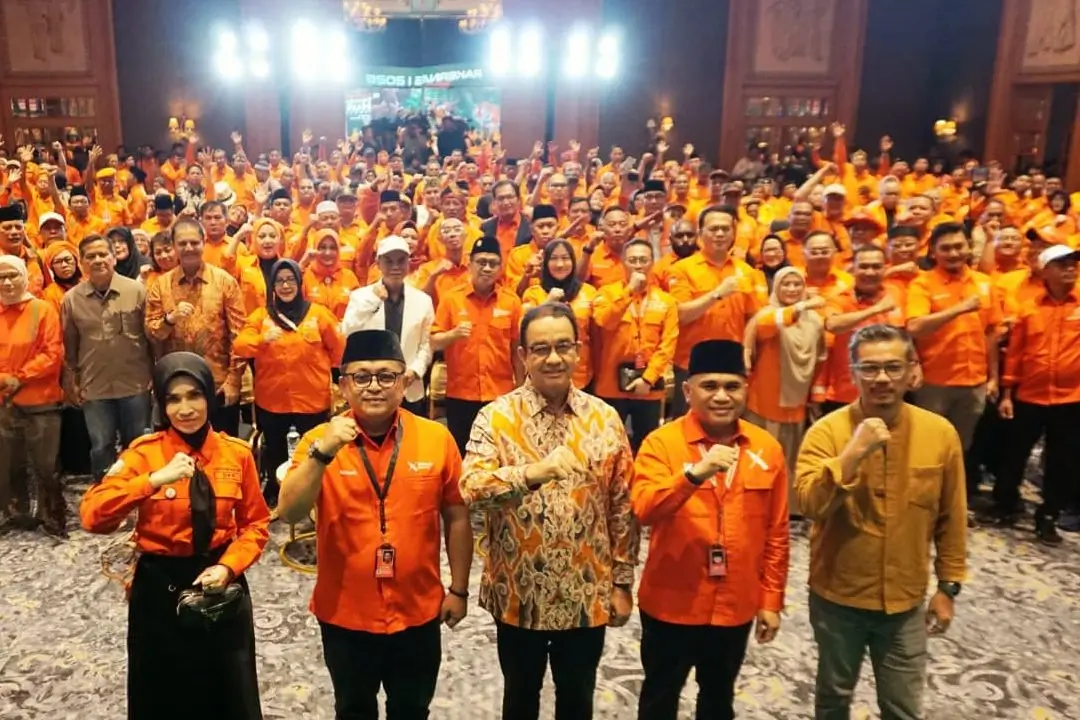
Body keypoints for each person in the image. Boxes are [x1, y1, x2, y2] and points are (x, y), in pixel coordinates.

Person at [278, 329, 472, 719]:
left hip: (417, 610)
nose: (374, 386)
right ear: (343, 386)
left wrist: (459, 589)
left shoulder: (436, 438)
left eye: (386, 376)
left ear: (404, 382)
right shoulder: (319, 440)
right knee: (353, 710)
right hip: (346, 614)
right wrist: (323, 453)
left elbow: (456, 515)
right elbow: (290, 512)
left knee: (412, 709)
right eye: (361, 376)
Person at [460, 302, 638, 720]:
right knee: (520, 699)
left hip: (586, 592)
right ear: (523, 355)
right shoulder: (496, 418)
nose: (553, 358)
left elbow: (622, 507)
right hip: (518, 593)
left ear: (578, 351)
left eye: (563, 346)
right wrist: (530, 474)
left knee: (577, 699)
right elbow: (471, 489)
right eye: (540, 349)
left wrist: (623, 582)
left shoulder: (605, 419)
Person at [80, 352, 270, 719]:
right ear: (161, 405)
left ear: (209, 396)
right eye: (173, 399)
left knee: (229, 691)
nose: (185, 409)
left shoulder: (236, 454)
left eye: (194, 395)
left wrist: (229, 567)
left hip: (219, 582)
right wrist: (151, 481)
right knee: (162, 693)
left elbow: (255, 525)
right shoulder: (144, 455)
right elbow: (92, 516)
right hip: (159, 588)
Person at [795, 324, 967, 720]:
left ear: (912, 371)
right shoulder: (826, 433)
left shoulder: (940, 434)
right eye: (869, 368)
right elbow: (810, 505)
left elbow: (952, 517)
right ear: (853, 373)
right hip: (838, 598)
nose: (882, 378)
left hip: (905, 601)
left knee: (902, 706)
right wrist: (852, 454)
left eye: (893, 367)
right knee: (833, 697)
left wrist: (948, 587)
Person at [632, 339, 789, 720]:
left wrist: (770, 601)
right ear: (688, 392)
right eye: (709, 386)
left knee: (718, 700)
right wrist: (693, 476)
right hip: (671, 604)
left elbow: (777, 532)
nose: (721, 396)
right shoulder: (661, 444)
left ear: (746, 389)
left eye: (732, 386)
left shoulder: (766, 448)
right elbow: (644, 509)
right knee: (659, 698)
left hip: (735, 604)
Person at [984, 244, 1080, 545]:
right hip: (1029, 395)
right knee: (1014, 454)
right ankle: (1005, 505)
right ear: (1045, 271)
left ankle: (1048, 516)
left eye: (1073, 264)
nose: (1070, 269)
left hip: (1071, 399)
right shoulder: (1028, 309)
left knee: (1062, 460)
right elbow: (1015, 354)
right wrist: (1007, 394)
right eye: (1062, 264)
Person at [234, 259, 343, 505]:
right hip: (273, 401)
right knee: (274, 450)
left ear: (299, 282)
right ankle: (276, 493)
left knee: (315, 451)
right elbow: (240, 346)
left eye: (290, 280)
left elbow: (338, 349)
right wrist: (262, 339)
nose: (285, 286)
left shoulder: (318, 314)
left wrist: (338, 382)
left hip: (312, 401)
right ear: (272, 286)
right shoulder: (261, 317)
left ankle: (315, 495)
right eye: (280, 281)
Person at [62, 234, 154, 482]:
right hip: (95, 387)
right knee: (101, 446)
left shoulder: (136, 291)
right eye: (91, 256)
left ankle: (139, 495)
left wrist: (154, 376)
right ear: (82, 262)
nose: (98, 260)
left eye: (103, 254)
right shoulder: (71, 299)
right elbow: (70, 346)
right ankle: (106, 496)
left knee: (137, 445)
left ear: (114, 258)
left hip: (135, 384)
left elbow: (151, 338)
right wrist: (73, 382)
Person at [145, 218, 247, 436]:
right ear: (174, 246)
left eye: (194, 242)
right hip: (175, 388)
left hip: (218, 386)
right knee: (178, 451)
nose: (189, 248)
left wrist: (234, 380)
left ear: (204, 242)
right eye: (182, 243)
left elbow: (239, 337)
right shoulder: (160, 286)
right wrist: (169, 320)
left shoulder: (225, 282)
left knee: (221, 448)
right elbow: (152, 334)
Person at [432, 235, 524, 454]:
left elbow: (517, 351)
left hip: (500, 394)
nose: (487, 268)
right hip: (461, 394)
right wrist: (453, 334)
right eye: (481, 262)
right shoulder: (451, 299)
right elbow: (434, 341)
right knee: (462, 453)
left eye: (493, 263)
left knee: (500, 453)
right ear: (470, 263)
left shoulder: (511, 302)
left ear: (500, 267)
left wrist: (521, 390)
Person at [743, 266, 826, 492]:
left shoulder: (815, 320)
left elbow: (821, 356)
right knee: (759, 459)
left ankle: (786, 506)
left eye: (797, 284)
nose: (792, 289)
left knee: (790, 460)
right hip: (764, 403)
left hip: (797, 403)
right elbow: (768, 325)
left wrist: (816, 390)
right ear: (776, 288)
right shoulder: (766, 315)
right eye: (786, 284)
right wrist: (801, 306)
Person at [0, 255, 66, 537]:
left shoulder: (42, 309)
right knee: (8, 462)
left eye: (12, 275)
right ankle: (16, 513)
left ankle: (53, 516)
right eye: (1, 277)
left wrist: (19, 377)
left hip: (41, 401)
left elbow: (52, 353)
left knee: (46, 465)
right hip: (4, 401)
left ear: (24, 277)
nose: (7, 282)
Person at [592, 238, 679, 451]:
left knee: (646, 445)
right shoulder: (606, 293)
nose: (638, 265)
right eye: (632, 260)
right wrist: (629, 292)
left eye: (643, 260)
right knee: (608, 446)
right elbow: (605, 321)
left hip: (648, 388)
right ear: (623, 263)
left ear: (652, 263)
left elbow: (667, 345)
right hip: (610, 386)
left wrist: (648, 379)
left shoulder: (666, 301)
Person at [341, 236, 435, 416]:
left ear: (408, 262)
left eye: (401, 261)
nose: (395, 266)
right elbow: (348, 331)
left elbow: (426, 344)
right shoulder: (361, 297)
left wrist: (415, 371)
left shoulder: (423, 300)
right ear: (378, 263)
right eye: (389, 261)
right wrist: (373, 300)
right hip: (372, 387)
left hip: (409, 387)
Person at [521, 238, 598, 390]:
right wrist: (548, 303)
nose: (560, 264)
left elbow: (597, 337)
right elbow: (524, 333)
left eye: (565, 258)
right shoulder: (533, 294)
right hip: (543, 372)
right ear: (545, 263)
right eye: (554, 259)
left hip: (582, 376)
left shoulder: (588, 292)